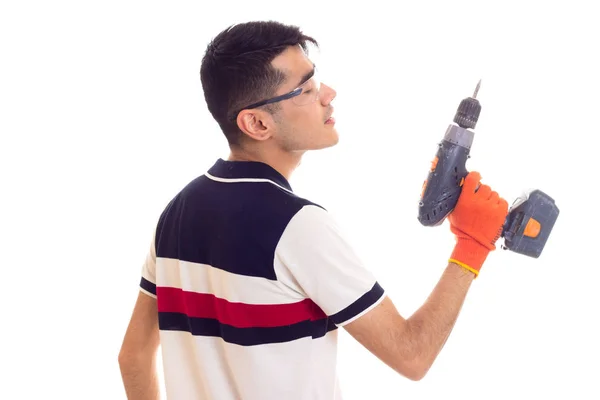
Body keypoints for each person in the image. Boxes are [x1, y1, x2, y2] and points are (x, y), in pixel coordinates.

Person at [118, 20, 509, 400]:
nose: (328, 94)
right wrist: (472, 245)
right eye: (304, 90)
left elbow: (133, 356)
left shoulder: (177, 213)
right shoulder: (297, 226)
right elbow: (412, 355)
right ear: (256, 123)